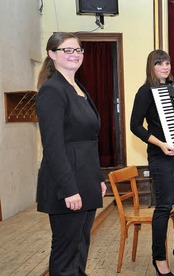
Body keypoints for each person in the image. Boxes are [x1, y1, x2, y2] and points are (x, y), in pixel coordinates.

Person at [35, 32, 107, 276]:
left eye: (78, 50)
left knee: (80, 249)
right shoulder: (52, 90)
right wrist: (69, 188)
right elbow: (53, 146)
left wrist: (98, 178)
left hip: (85, 180)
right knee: (66, 255)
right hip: (67, 185)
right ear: (52, 54)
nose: (74, 55)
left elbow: (89, 141)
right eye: (68, 50)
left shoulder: (77, 88)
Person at [130, 50, 174, 275]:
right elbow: (135, 125)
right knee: (164, 205)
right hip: (162, 154)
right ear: (152, 66)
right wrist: (160, 143)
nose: (165, 67)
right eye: (160, 63)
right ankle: (158, 258)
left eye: (168, 62)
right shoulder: (145, 91)